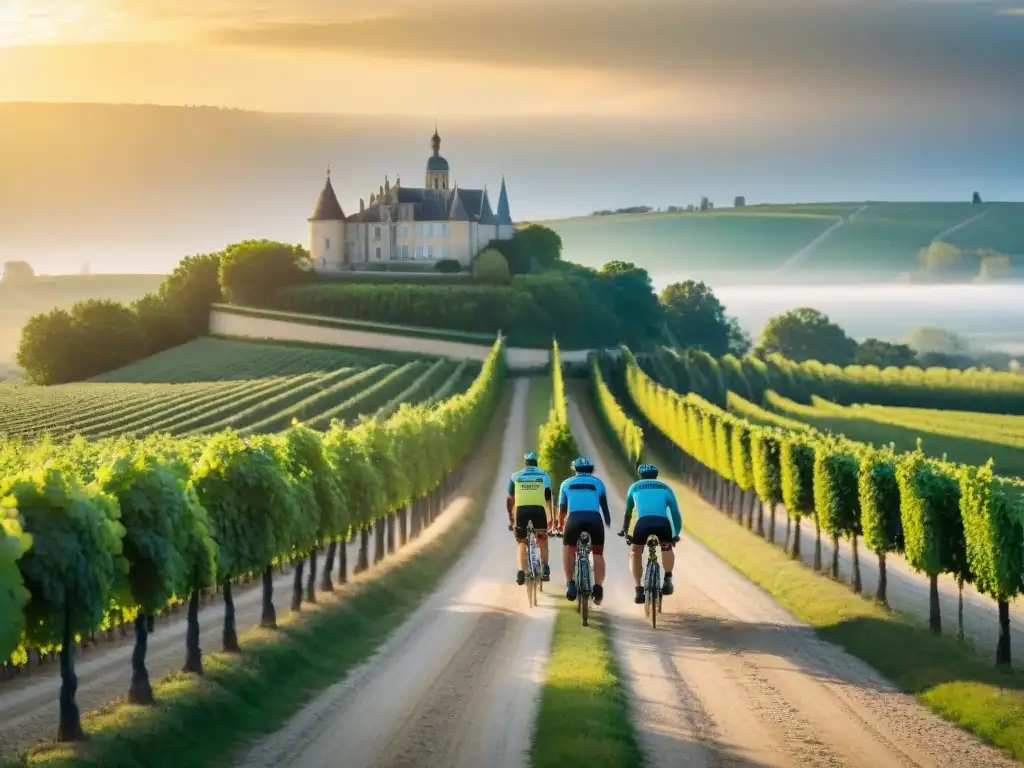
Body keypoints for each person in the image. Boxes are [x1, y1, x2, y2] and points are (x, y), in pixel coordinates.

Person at [621, 463, 682, 604]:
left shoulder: (634, 487)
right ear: (656, 475)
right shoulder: (666, 487)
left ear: (640, 475)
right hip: (662, 524)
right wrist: (675, 534)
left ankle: (638, 589)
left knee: (635, 552)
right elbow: (675, 513)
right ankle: (667, 578)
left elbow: (628, 513)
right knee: (666, 546)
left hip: (643, 524)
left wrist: (625, 531)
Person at [558, 456, 611, 605]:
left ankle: (570, 584)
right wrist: (607, 522)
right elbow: (605, 508)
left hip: (573, 520)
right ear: (591, 469)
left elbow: (562, 509)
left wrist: (560, 525)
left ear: (575, 469)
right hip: (595, 519)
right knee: (598, 553)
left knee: (569, 549)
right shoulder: (598, 483)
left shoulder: (566, 484)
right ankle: (598, 587)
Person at [507, 451, 553, 585]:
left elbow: (511, 498)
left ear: (525, 463)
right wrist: (550, 518)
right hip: (538, 510)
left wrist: (512, 519)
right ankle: (545, 568)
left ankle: (521, 571)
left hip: (521, 510)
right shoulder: (545, 475)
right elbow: (548, 498)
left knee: (521, 541)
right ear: (536, 462)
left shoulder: (515, 476)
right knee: (542, 538)